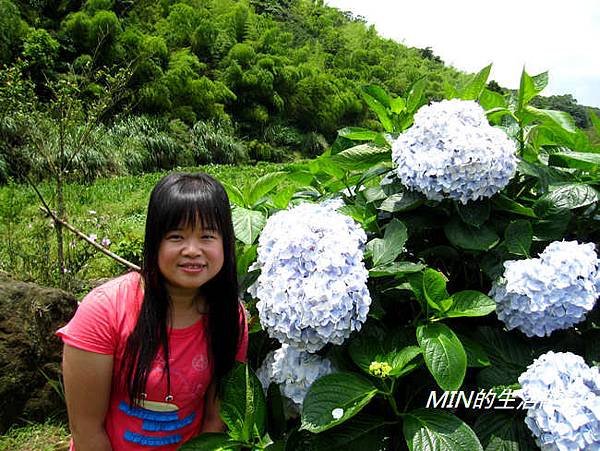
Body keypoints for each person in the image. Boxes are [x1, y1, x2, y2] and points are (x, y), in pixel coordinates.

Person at [57, 172, 248, 450]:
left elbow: (215, 421)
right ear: (154, 241)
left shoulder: (230, 316)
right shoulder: (103, 311)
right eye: (176, 236)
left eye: (207, 235)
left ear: (225, 244)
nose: (192, 250)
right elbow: (86, 429)